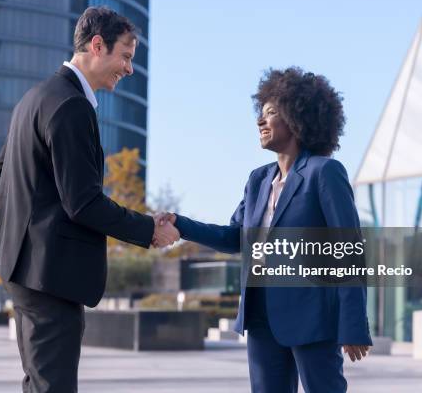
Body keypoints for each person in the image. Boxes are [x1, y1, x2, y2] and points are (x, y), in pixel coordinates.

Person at [0, 7, 179, 392]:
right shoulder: (71, 105)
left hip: (25, 271)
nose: (129, 68)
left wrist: (27, 233)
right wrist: (147, 230)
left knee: (40, 383)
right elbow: (83, 202)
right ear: (97, 45)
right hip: (50, 275)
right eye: (125, 55)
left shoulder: (33, 98)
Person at [157, 67, 372, 393]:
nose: (260, 121)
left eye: (271, 113)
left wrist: (353, 325)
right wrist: (180, 224)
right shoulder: (258, 180)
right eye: (260, 113)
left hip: (313, 320)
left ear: (298, 118)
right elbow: (235, 238)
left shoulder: (324, 173)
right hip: (260, 320)